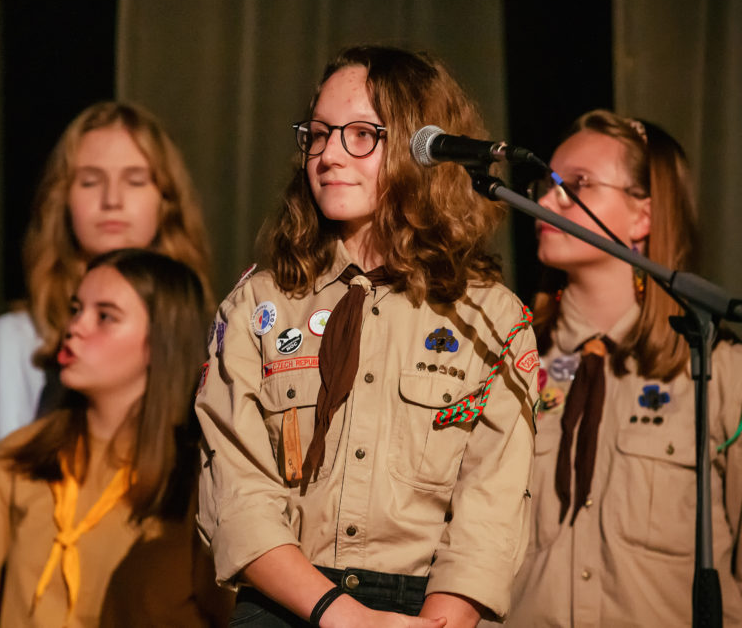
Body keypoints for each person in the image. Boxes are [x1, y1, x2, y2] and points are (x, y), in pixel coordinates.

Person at [195, 45, 539, 627]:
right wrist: (343, 615)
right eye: (318, 134)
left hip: (422, 610)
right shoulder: (260, 305)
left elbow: (490, 513)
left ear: (422, 146)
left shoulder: (491, 319)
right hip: (288, 602)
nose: (328, 154)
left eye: (361, 135)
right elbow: (237, 495)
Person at [0, 101, 212, 573]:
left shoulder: (214, 341)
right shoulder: (1, 345)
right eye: (89, 181)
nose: (112, 199)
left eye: (135, 180)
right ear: (61, 200)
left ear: (166, 200)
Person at [503, 109, 742, 626]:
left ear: (643, 217)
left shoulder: (718, 370)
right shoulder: (513, 363)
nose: (548, 201)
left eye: (577, 185)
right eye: (546, 184)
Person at [0, 248, 231, 627]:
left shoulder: (198, 478)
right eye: (76, 309)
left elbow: (224, 613)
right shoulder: (17, 455)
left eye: (105, 316)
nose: (75, 327)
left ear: (161, 341)